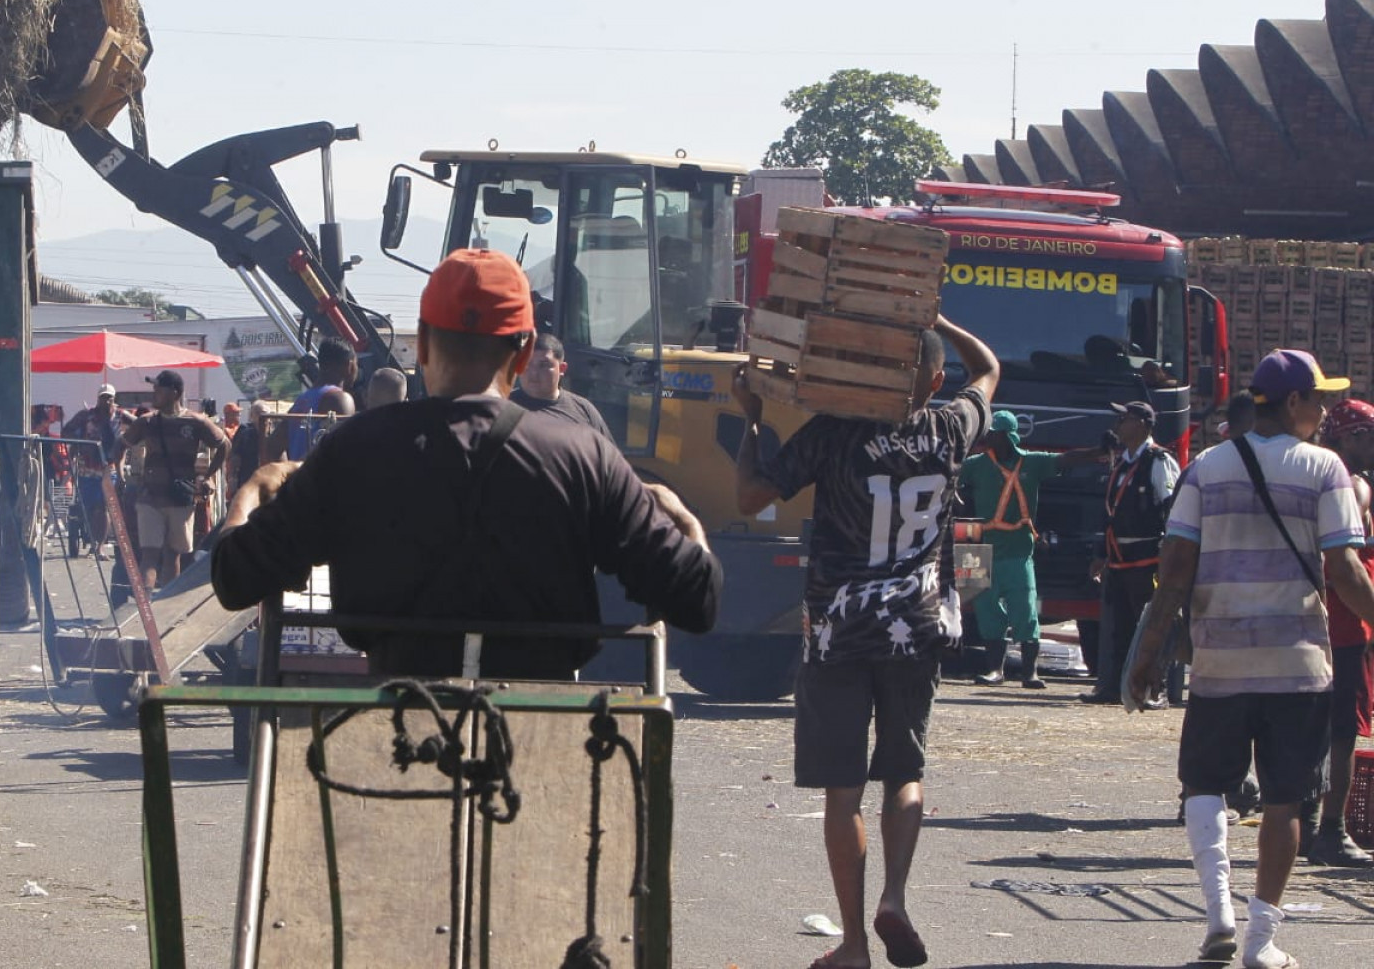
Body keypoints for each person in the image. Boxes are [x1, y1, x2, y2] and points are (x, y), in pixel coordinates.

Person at [211, 247, 721, 681]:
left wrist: (252, 491)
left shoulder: (352, 450)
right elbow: (696, 600)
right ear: (523, 354)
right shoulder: (585, 455)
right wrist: (685, 519)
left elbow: (235, 579)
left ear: (425, 344)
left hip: (398, 741)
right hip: (544, 749)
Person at [731, 315, 1001, 969]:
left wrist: (752, 416)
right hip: (918, 625)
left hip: (838, 629)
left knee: (842, 790)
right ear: (935, 381)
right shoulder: (949, 426)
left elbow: (751, 495)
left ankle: (853, 943)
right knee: (905, 773)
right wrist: (933, 316)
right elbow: (989, 368)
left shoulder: (834, 434)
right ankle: (897, 898)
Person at [1130, 349, 1374, 969]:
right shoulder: (1326, 468)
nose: (1322, 410)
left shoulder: (1205, 468)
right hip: (1297, 666)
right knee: (1285, 800)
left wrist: (1150, 651)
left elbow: (1175, 569)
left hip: (1219, 660)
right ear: (1292, 402)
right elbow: (1344, 567)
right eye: (1317, 399)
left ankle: (1218, 918)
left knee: (1206, 786)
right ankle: (1261, 943)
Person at [959, 411, 1104, 688]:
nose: (988, 437)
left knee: (1025, 609)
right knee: (984, 608)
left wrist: (1101, 451)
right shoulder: (975, 464)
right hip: (973, 545)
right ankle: (994, 670)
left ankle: (1030, 672)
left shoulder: (1031, 462)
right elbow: (948, 475)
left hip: (1017, 548)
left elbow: (1066, 459)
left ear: (1006, 435)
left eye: (994, 432)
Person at [1303, 397, 1374, 867]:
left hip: (1328, 620)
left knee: (1315, 728)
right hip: (1343, 622)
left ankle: (1311, 826)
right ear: (1350, 436)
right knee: (1339, 730)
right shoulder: (1347, 482)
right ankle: (1331, 829)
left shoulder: (1325, 477)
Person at [1085, 400, 1182, 704]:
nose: (1119, 424)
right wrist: (1100, 553)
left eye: (1125, 419)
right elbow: (1109, 512)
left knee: (1152, 625)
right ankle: (1114, 687)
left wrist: (1170, 557)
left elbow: (1171, 508)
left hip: (1148, 559)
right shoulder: (1121, 461)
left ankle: (1155, 690)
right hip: (1119, 559)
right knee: (1119, 626)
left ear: (1142, 424)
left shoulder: (1158, 460)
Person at [119, 369, 229, 591]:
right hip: (150, 497)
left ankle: (159, 610)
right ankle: (147, 608)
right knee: (150, 555)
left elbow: (224, 445)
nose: (154, 392)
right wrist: (117, 471)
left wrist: (207, 477)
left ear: (175, 392)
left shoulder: (196, 421)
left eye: (159, 388)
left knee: (172, 555)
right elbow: (120, 445)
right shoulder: (146, 422)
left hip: (180, 499)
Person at [62, 385, 126, 558]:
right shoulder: (86, 415)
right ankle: (93, 540)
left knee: (104, 507)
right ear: (98, 398)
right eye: (103, 397)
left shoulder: (119, 416)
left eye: (109, 397)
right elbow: (66, 430)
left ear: (114, 399)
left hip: (108, 467)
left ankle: (99, 546)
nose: (106, 401)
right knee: (90, 507)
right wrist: (81, 441)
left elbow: (139, 425)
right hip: (87, 467)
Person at [513, 332, 610, 435]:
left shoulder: (582, 411)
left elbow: (606, 450)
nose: (534, 373)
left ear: (562, 368)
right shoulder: (503, 409)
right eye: (527, 363)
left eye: (543, 365)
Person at [287, 337, 359, 459]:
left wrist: (288, 472)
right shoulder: (340, 399)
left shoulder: (301, 400)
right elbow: (347, 452)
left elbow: (272, 446)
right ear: (350, 365)